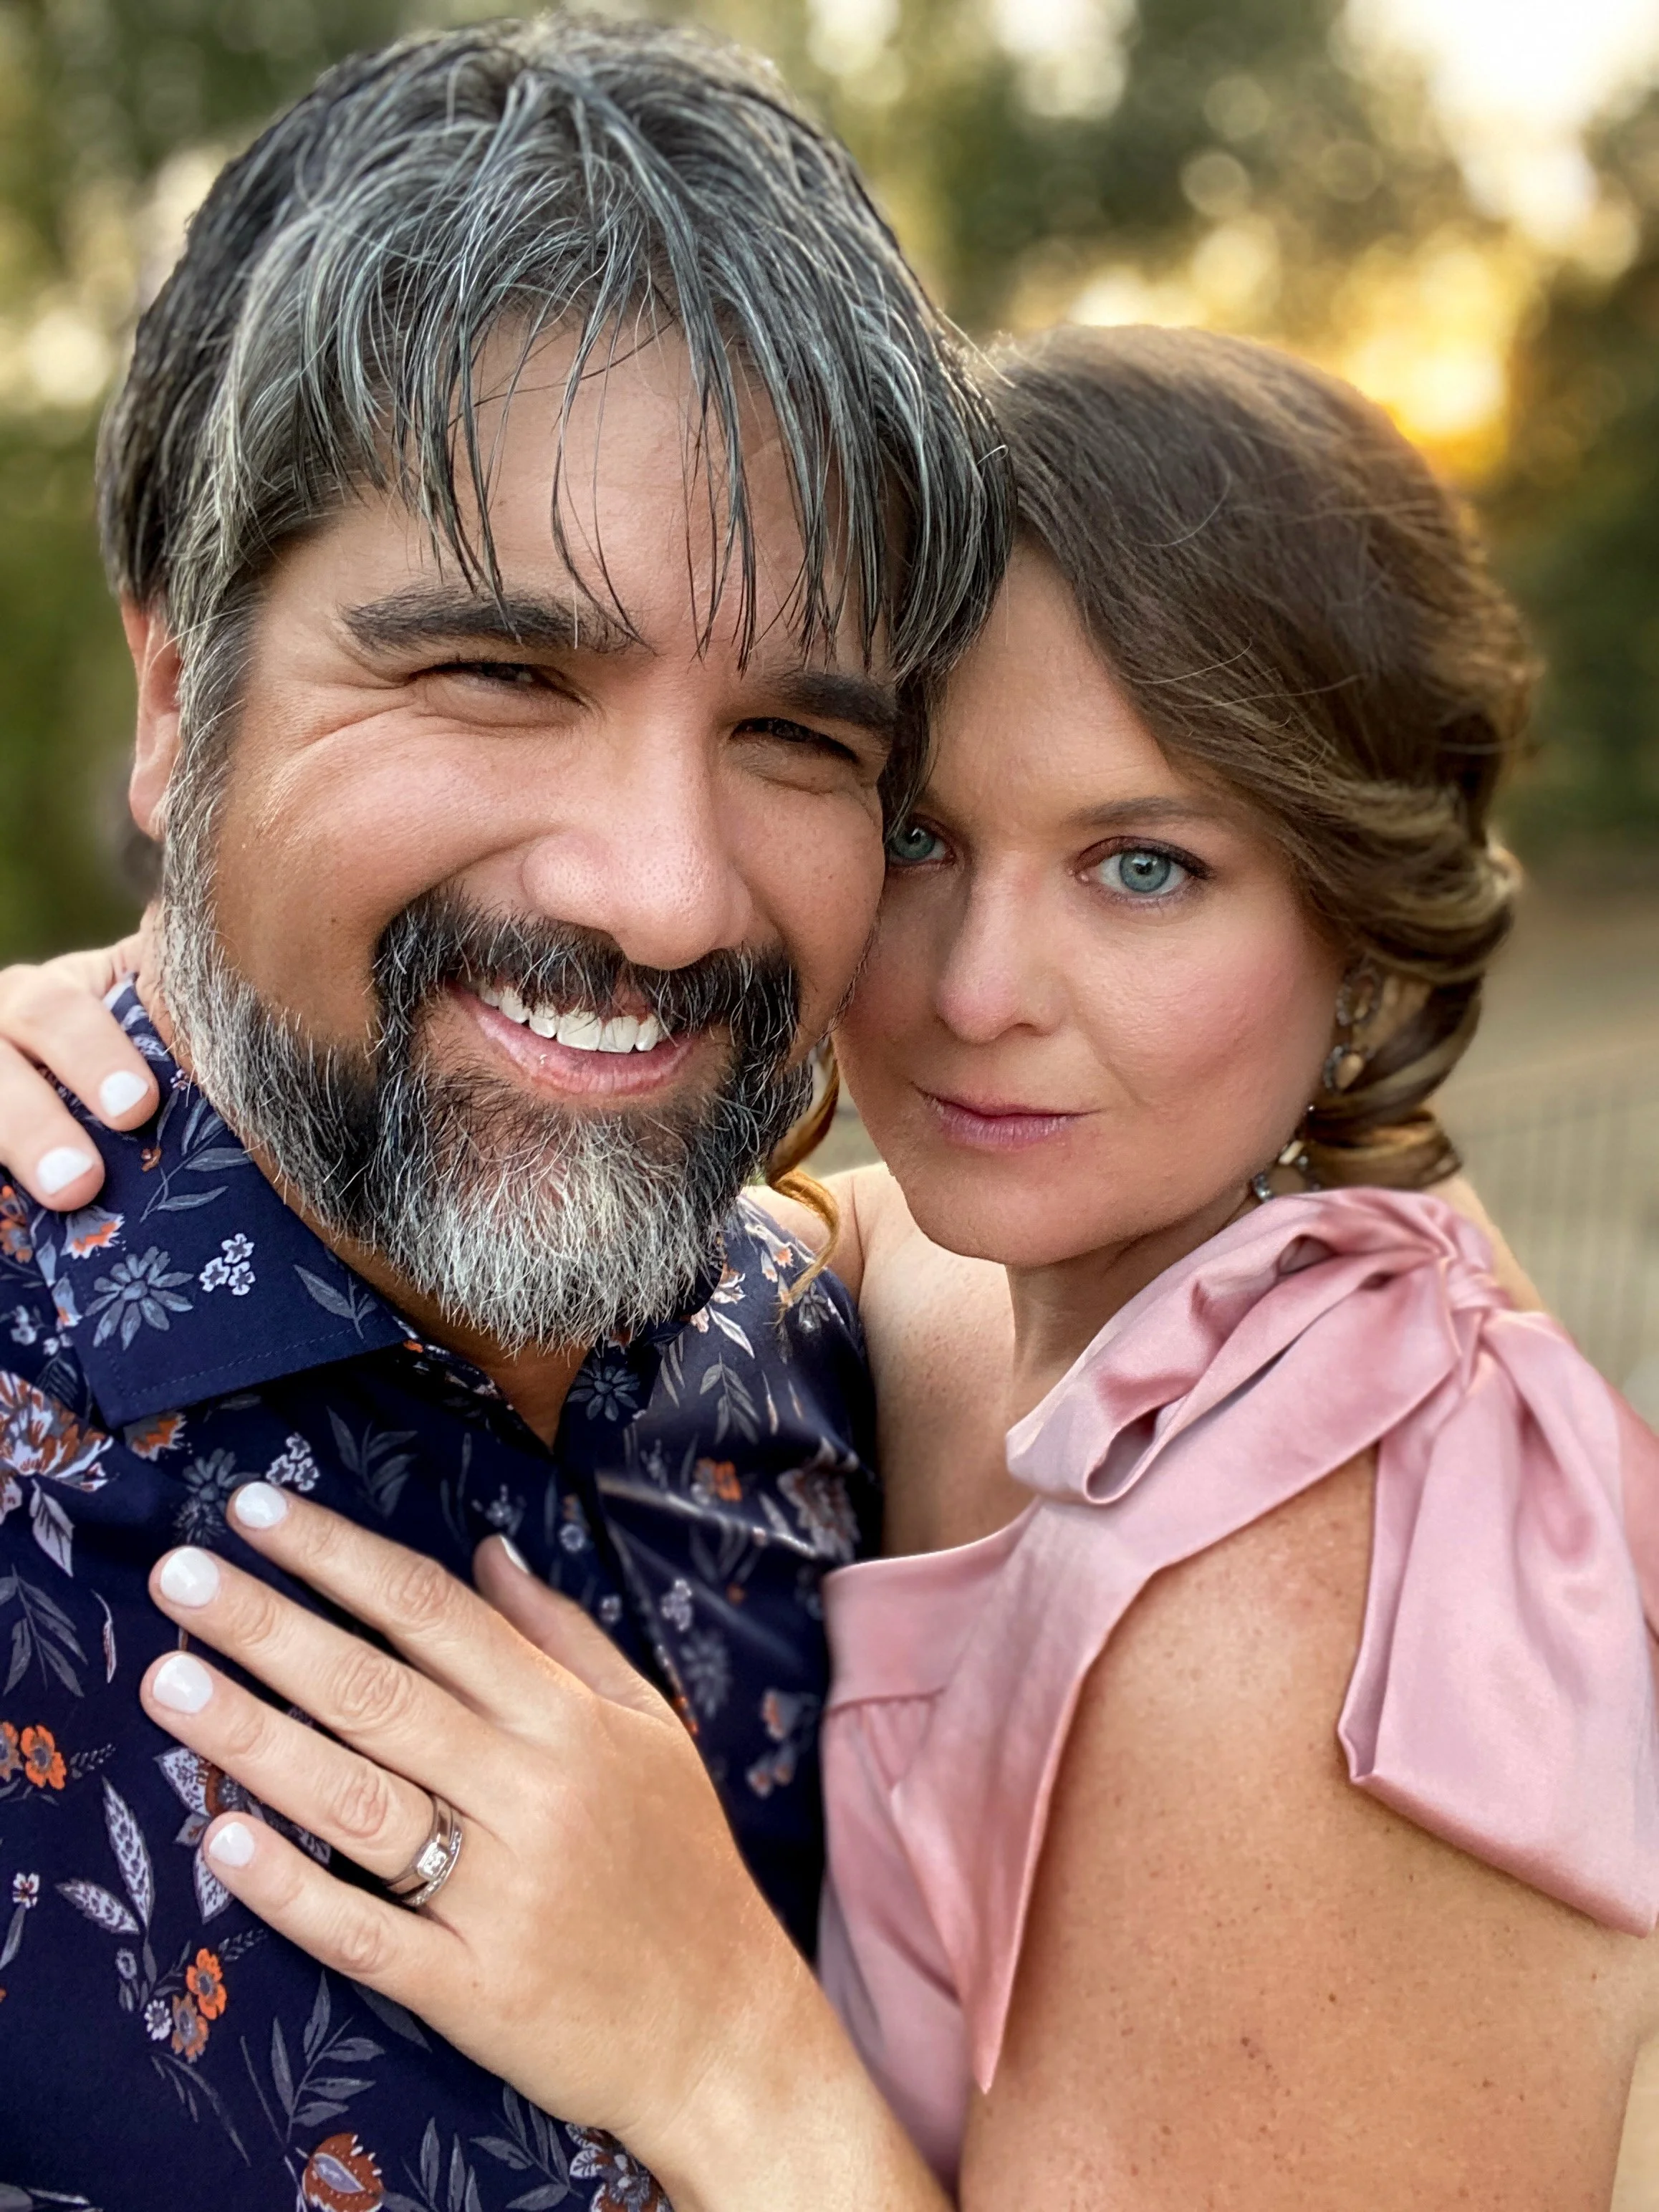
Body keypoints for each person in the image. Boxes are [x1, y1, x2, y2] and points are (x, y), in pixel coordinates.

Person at [9, 325, 1659, 2209]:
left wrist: (718, 2044)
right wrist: (153, 1023)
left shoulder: (1326, 1611)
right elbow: (794, 1217)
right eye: (917, 836)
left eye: (1142, 867)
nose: (973, 995)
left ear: (1358, 927)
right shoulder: (971, 1300)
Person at [0, 16, 1012, 2206]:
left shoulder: (859, 1378)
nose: (659, 892)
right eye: (497, 672)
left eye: (801, 737)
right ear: (185, 700)